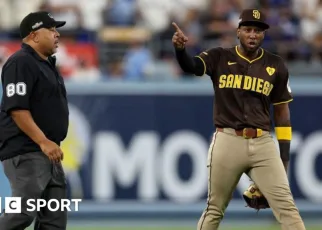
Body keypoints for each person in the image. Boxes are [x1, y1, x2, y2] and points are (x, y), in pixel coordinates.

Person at [172, 9, 306, 230]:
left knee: (288, 209)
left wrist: (284, 158)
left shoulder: (276, 65)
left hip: (263, 143)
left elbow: (282, 112)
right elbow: (192, 66)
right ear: (238, 32)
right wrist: (180, 50)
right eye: (248, 29)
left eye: (258, 30)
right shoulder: (219, 56)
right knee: (214, 209)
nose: (252, 34)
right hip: (227, 140)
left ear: (263, 35)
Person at [0, 11, 69, 230]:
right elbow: (17, 109)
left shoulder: (46, 64)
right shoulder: (20, 62)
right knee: (20, 213)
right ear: (34, 35)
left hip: (49, 153)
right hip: (28, 150)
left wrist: (49, 144)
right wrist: (43, 141)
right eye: (51, 29)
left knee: (53, 223)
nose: (56, 34)